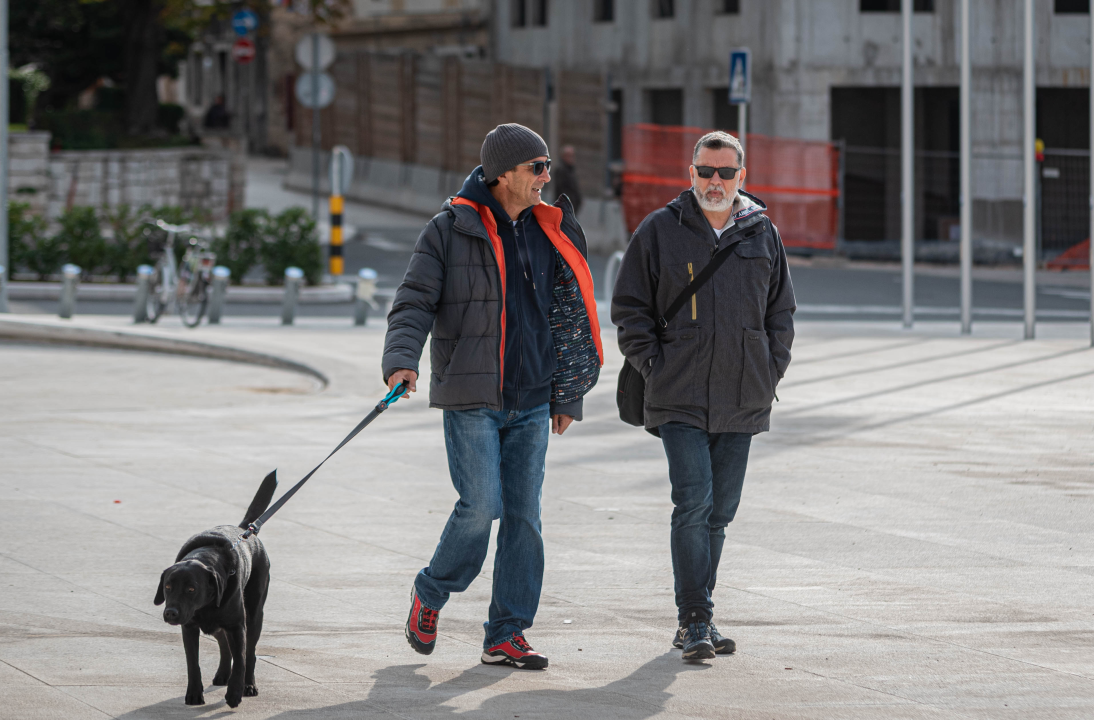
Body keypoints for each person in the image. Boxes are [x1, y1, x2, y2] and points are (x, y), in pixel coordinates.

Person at [383, 123, 602, 670]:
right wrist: (402, 361)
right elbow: (413, 301)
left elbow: (568, 315)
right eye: (537, 167)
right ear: (503, 174)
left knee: (524, 518)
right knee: (481, 506)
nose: (546, 177)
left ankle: (507, 633)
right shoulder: (448, 229)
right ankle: (431, 592)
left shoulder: (548, 229)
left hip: (533, 396)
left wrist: (567, 394)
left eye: (547, 166)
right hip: (472, 394)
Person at [611, 131, 795, 661]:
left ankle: (701, 615)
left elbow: (781, 311)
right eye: (706, 171)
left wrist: (769, 371)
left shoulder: (762, 233)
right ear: (690, 173)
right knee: (693, 502)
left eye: (726, 172)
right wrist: (656, 366)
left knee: (721, 511)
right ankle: (693, 618)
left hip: (743, 394)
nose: (716, 181)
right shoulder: (659, 230)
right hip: (679, 395)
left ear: (742, 176)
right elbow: (629, 309)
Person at [551, 145, 583, 215]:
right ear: (564, 156)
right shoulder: (561, 170)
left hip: (571, 208)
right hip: (564, 209)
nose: (572, 158)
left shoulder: (571, 170)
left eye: (573, 156)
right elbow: (561, 190)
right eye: (569, 156)